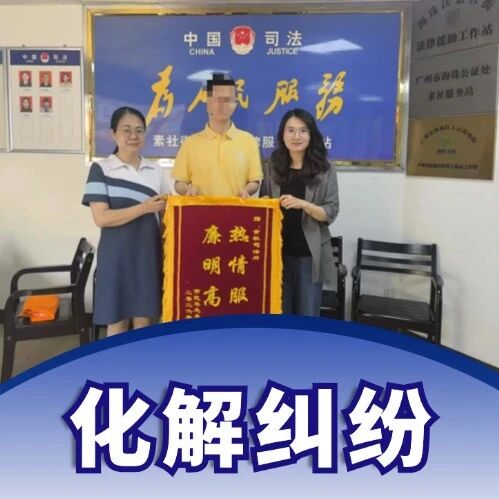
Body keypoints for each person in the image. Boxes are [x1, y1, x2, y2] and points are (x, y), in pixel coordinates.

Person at [82, 106, 169, 336]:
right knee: (117, 322)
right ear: (113, 134)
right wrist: (143, 208)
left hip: (148, 255)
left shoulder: (155, 171)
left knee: (145, 321)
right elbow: (101, 217)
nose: (133, 135)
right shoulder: (101, 169)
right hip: (116, 257)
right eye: (127, 130)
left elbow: (167, 215)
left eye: (139, 130)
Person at [260, 108, 339, 316]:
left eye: (303, 131)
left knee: (307, 318)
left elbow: (330, 212)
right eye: (291, 130)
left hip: (309, 256)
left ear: (311, 135)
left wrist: (303, 204)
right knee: (280, 317)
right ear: (282, 135)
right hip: (278, 255)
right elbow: (264, 204)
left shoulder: (325, 169)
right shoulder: (271, 167)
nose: (297, 136)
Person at [172, 72, 262, 197]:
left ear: (235, 103)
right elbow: (179, 183)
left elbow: (254, 181)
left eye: (227, 100)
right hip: (201, 208)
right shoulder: (190, 143)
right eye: (216, 99)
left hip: (236, 208)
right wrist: (188, 190)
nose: (221, 105)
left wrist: (246, 191)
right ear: (207, 102)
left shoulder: (249, 141)